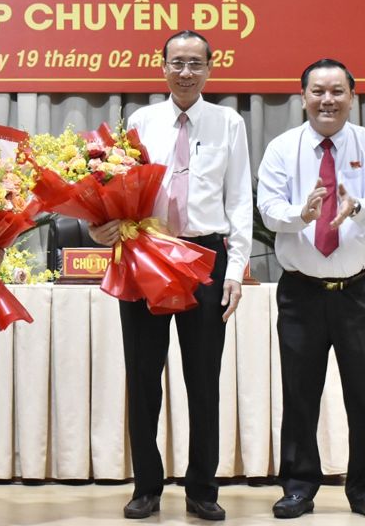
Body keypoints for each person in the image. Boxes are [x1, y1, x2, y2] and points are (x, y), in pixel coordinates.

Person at [89, 30, 251, 521]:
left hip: (205, 256)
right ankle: (147, 487)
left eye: (195, 63)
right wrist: (103, 224)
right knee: (143, 376)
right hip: (147, 250)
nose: (185, 72)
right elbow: (118, 187)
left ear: (209, 68)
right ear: (162, 66)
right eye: (176, 62)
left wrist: (237, 268)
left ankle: (203, 488)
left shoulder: (228, 122)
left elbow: (239, 197)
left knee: (204, 379)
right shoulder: (142, 120)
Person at [256, 59, 365, 522]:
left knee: (364, 395)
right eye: (318, 91)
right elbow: (268, 210)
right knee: (299, 394)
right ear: (303, 97)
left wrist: (357, 207)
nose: (327, 100)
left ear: (351, 97)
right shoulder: (282, 148)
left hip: (359, 292)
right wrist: (302, 215)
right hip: (301, 293)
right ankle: (298, 488)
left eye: (337, 91)